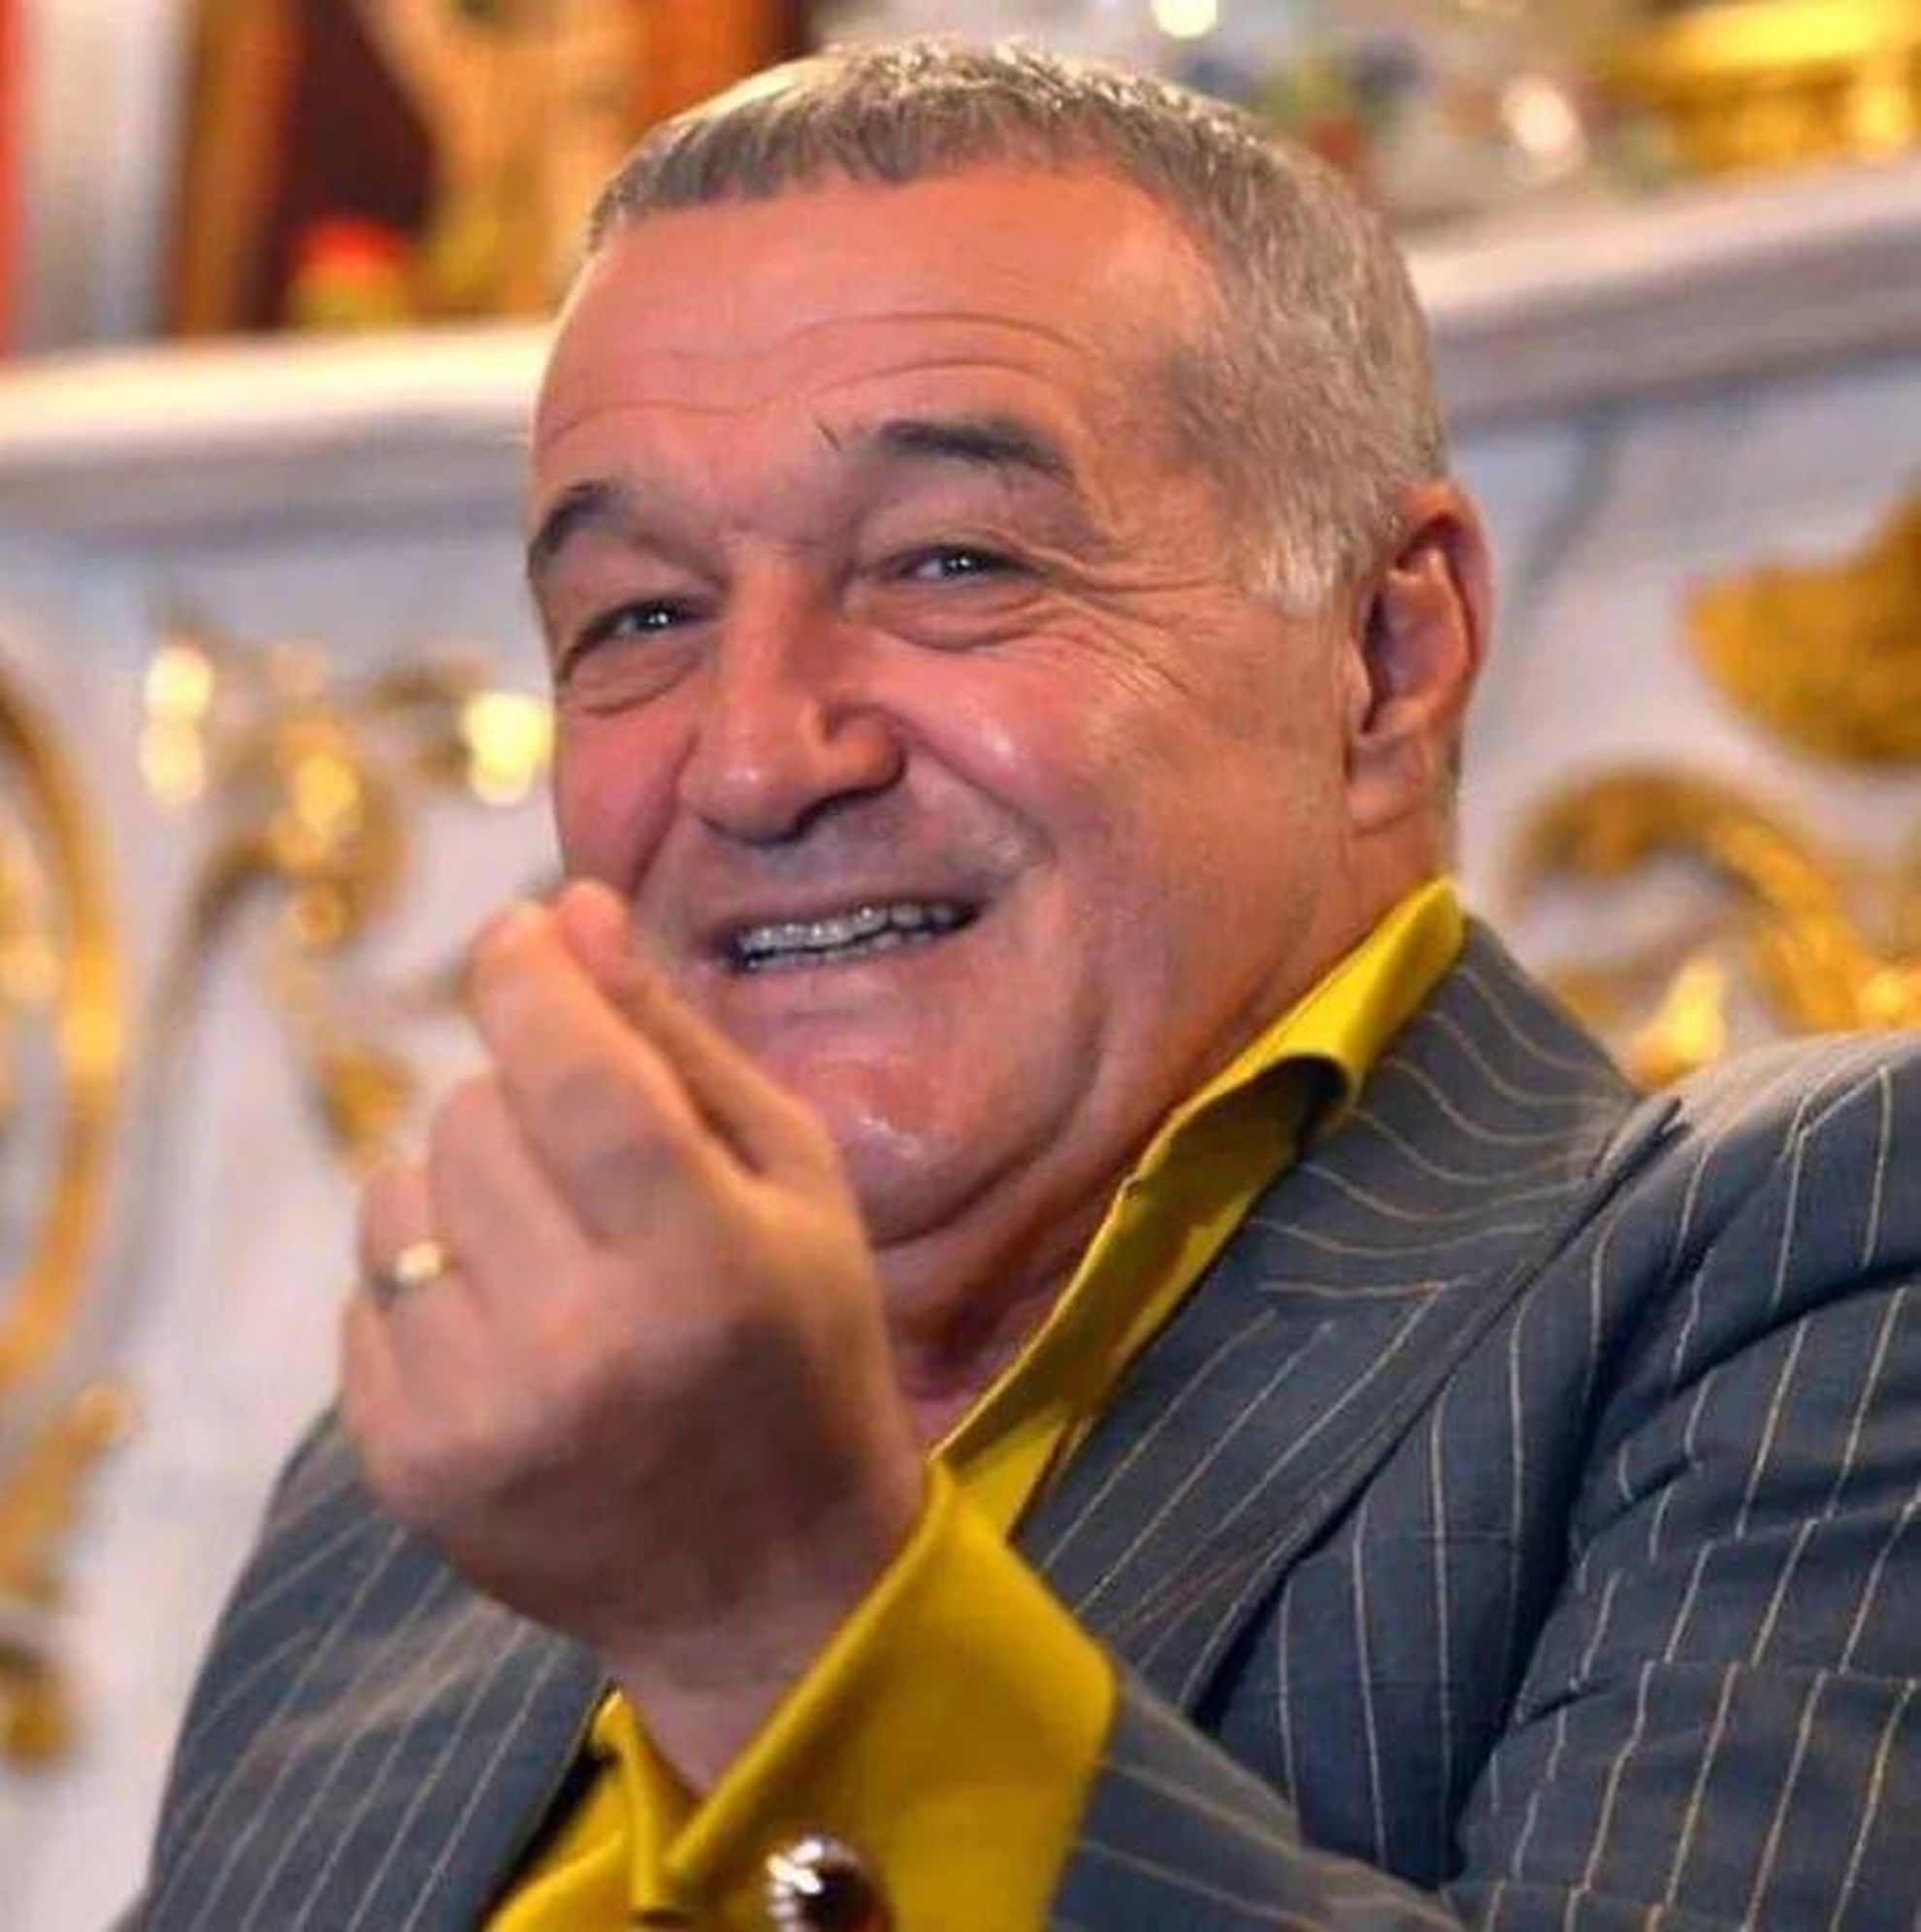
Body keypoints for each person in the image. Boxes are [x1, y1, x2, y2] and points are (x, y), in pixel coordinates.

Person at [131, 40, 1917, 1932]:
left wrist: (781, 1620)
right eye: (642, 615)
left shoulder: (1804, 1253)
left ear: (1387, 654)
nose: (757, 758)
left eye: (950, 563)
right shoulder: (428, 1488)